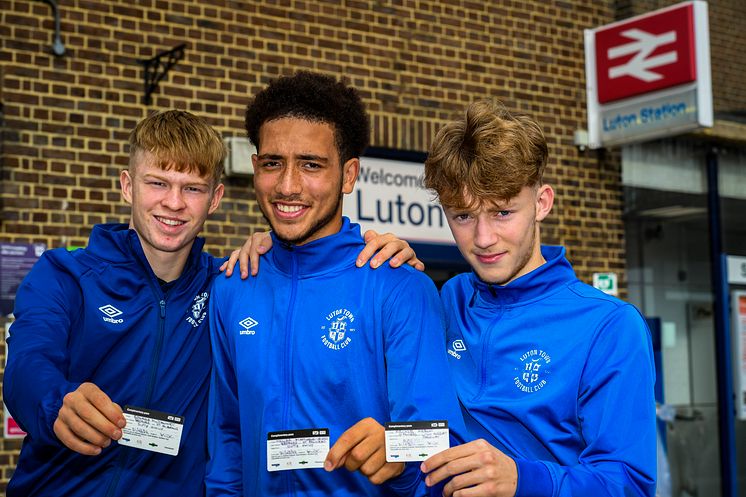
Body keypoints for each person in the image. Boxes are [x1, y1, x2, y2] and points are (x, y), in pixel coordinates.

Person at [3, 109, 416, 497]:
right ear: (128, 185)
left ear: (215, 198)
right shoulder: (65, 275)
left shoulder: (227, 288)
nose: (174, 203)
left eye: (193, 189)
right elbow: (26, 366)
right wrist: (56, 402)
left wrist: (377, 250)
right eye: (157, 183)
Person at [206, 71, 466, 497]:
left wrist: (397, 459)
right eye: (273, 163)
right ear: (255, 168)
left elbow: (438, 449)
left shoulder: (398, 286)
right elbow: (227, 440)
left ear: (348, 175)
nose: (288, 185)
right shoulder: (233, 286)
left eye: (311, 164)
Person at [417, 100, 657, 497]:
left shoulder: (610, 327)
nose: (483, 238)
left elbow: (628, 486)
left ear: (542, 202)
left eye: (503, 212)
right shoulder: (448, 301)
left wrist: (523, 480)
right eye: (463, 216)